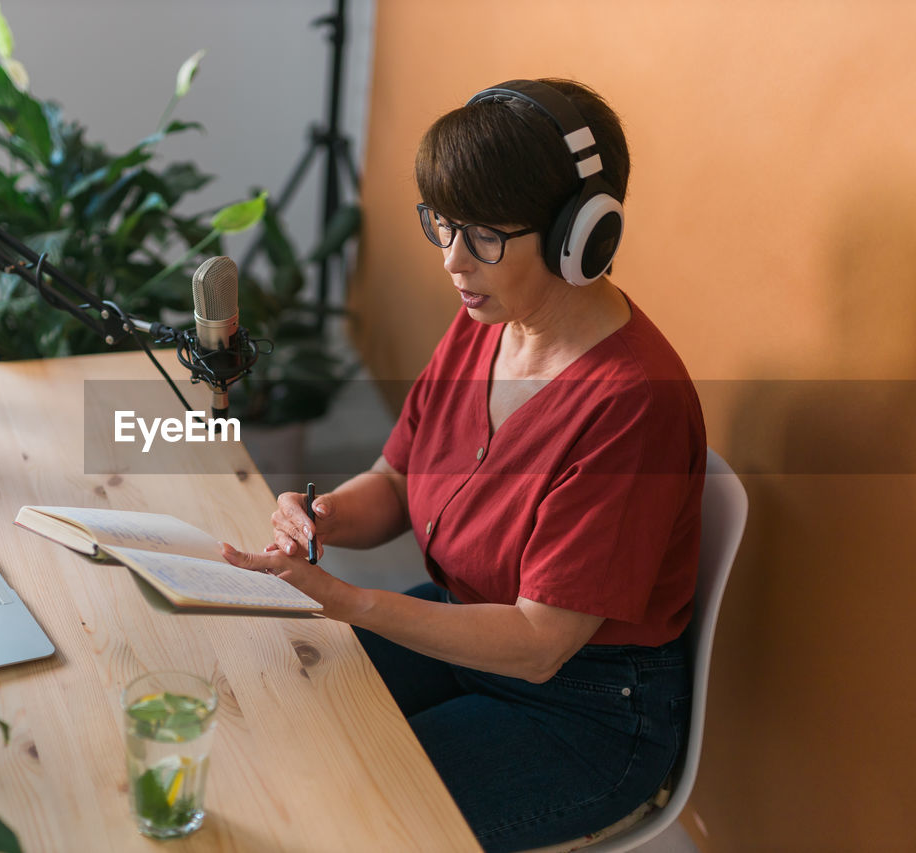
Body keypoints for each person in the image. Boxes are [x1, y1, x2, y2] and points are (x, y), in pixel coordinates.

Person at [220, 78, 706, 851]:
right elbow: (397, 478)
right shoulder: (488, 320)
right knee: (274, 703)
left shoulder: (631, 403)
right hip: (461, 617)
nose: (452, 259)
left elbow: (541, 643)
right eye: (442, 225)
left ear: (576, 236)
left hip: (581, 707)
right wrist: (326, 515)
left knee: (343, 816)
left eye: (482, 235)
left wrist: (351, 600)